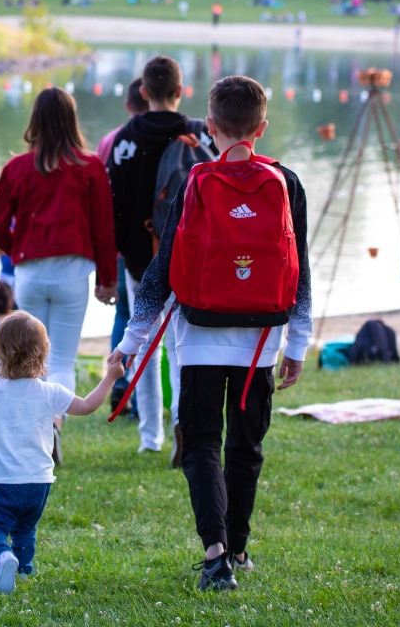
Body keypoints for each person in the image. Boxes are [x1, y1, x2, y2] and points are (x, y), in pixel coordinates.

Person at [113, 75, 312, 591]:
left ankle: (216, 553)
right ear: (262, 128)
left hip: (198, 334)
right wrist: (298, 342)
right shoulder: (287, 183)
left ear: (211, 124)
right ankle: (240, 548)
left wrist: (131, 342)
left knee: (201, 442)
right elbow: (301, 268)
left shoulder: (195, 179)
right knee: (247, 446)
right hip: (262, 341)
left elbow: (160, 271)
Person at [0, 314, 122, 594]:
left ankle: (3, 557)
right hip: (38, 483)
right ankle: (24, 570)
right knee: (24, 528)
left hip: (0, 482)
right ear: (44, 352)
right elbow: (88, 405)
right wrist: (109, 377)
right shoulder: (51, 392)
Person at [0, 87, 118, 461]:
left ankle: (32, 434)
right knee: (61, 360)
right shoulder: (90, 166)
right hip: (73, 271)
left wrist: (19, 248)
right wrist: (108, 278)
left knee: (28, 359)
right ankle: (55, 425)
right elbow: (103, 228)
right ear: (72, 120)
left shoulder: (16, 168)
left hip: (30, 270)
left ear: (35, 121)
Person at [106, 55, 214, 458]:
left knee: (143, 346)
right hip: (189, 259)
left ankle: (150, 437)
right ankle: (181, 421)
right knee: (181, 344)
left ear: (144, 92)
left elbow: (112, 205)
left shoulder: (124, 141)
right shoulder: (200, 135)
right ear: (181, 92)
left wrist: (119, 254)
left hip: (140, 260)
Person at [97, 78, 148, 411]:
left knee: (126, 315)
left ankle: (119, 384)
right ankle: (147, 395)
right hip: (159, 246)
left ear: (128, 105)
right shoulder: (178, 136)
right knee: (158, 325)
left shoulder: (110, 141)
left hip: (120, 245)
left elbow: (102, 201)